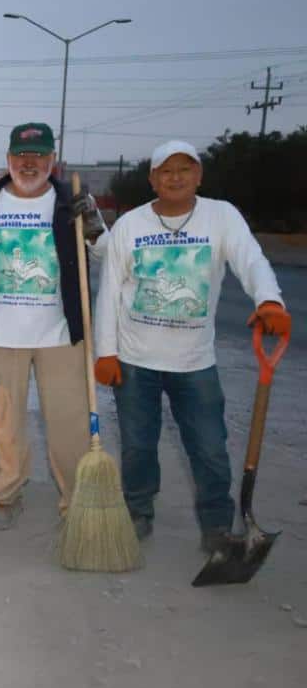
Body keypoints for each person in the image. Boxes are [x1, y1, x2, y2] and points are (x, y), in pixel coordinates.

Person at [94, 140, 290, 550]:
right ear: (153, 179)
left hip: (195, 362)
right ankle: (138, 512)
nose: (176, 178)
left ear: (198, 175)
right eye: (166, 171)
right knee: (137, 448)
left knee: (209, 449)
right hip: (135, 360)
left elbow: (251, 260)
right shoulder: (131, 225)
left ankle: (217, 528)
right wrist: (106, 352)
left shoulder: (221, 216)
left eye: (185, 169)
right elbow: (110, 290)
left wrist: (269, 300)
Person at [0, 123, 105, 529]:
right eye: (21, 155)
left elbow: (105, 253)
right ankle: (7, 494)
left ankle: (74, 502)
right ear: (8, 159)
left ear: (52, 159)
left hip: (60, 336)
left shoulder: (71, 200)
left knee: (68, 426)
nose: (28, 163)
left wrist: (92, 224)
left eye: (38, 156)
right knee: (6, 425)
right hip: (2, 335)